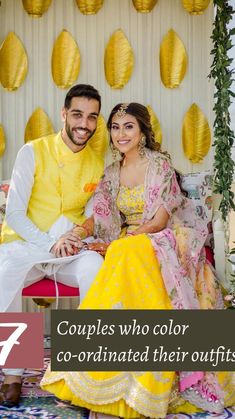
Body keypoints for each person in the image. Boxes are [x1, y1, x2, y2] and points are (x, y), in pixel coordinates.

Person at [41, 103, 235, 418]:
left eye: (128, 126)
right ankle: (90, 381)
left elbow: (159, 221)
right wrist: (78, 233)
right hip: (126, 244)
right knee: (116, 254)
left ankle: (141, 386)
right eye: (115, 127)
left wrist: (119, 243)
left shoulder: (159, 166)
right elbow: (99, 215)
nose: (121, 134)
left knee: (123, 252)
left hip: (162, 238)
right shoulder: (111, 172)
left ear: (142, 131)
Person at [0, 84, 106, 407]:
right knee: (5, 273)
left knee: (95, 268)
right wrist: (50, 242)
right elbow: (15, 214)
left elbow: (90, 217)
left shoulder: (98, 165)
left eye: (91, 118)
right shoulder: (31, 151)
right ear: (64, 114)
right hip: (29, 246)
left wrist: (74, 239)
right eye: (77, 114)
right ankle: (14, 373)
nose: (83, 124)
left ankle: (82, 376)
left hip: (70, 252)